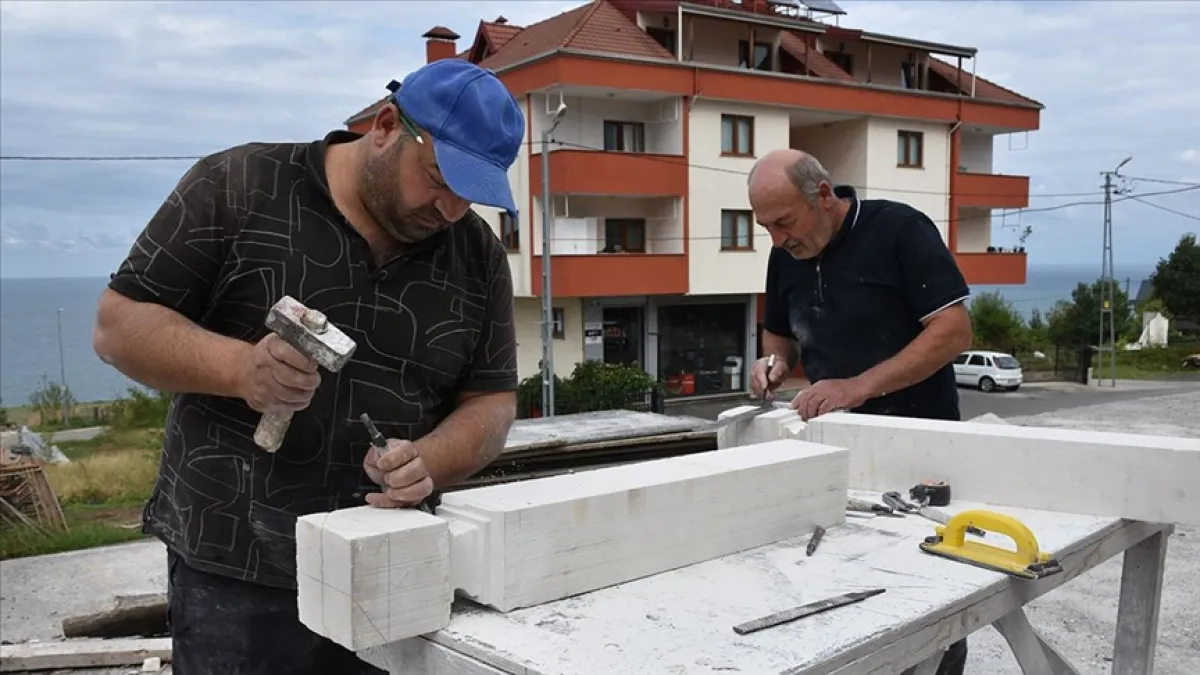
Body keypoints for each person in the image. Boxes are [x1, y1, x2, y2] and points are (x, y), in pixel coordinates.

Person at [92, 59, 525, 675]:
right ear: (384, 126)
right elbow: (118, 328)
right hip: (236, 571)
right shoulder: (240, 184)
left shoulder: (475, 255)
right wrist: (241, 369)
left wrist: (431, 459)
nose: (451, 210)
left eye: (471, 194)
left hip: (387, 567)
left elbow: (492, 402)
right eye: (439, 179)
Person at [746, 149, 973, 675]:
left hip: (919, 442)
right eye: (766, 227)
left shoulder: (899, 230)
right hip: (835, 449)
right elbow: (779, 338)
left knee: (929, 592)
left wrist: (858, 387)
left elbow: (954, 331)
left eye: (784, 222)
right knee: (841, 585)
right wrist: (773, 364)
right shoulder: (786, 255)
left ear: (823, 196)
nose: (777, 239)